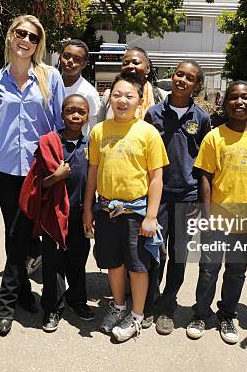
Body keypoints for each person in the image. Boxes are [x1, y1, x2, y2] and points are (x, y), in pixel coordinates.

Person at [0, 15, 66, 336]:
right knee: (14, 236)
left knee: (40, 236)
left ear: (38, 44)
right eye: (21, 34)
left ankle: (9, 304)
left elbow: (61, 125)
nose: (26, 40)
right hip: (6, 173)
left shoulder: (51, 77)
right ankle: (20, 295)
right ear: (10, 36)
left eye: (33, 37)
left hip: (40, 173)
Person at [83, 72, 169, 342]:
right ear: (109, 99)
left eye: (129, 96)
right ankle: (118, 306)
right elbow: (93, 173)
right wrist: (88, 208)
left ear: (139, 100)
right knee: (114, 263)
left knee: (138, 266)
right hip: (106, 210)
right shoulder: (99, 131)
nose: (122, 100)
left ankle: (137, 315)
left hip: (137, 214)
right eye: (117, 95)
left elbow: (156, 178)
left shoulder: (148, 132)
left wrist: (151, 216)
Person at [187, 80, 247, 344]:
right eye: (234, 97)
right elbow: (205, 178)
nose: (239, 102)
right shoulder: (214, 137)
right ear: (225, 103)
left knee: (236, 271)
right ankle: (201, 313)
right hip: (217, 219)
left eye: (245, 97)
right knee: (209, 269)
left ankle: (227, 314)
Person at [143, 60, 211, 335]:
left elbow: (205, 162)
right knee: (154, 252)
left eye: (190, 78)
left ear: (197, 85)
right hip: (157, 196)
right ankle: (149, 302)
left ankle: (167, 307)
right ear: (172, 77)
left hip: (187, 197)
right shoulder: (153, 114)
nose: (182, 80)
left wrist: (199, 200)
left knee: (178, 255)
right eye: (179, 74)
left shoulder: (202, 118)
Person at [19, 94, 95, 332]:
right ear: (61, 114)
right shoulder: (50, 144)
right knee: (53, 264)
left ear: (87, 116)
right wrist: (56, 177)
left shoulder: (91, 146)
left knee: (78, 261)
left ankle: (77, 301)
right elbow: (35, 184)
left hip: (81, 214)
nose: (75, 116)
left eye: (81, 112)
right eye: (70, 110)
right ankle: (52, 307)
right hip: (54, 216)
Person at [97, 47, 165, 122]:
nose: (130, 66)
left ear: (148, 68)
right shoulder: (109, 95)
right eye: (125, 63)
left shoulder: (161, 97)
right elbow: (99, 127)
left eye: (136, 63)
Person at [58, 39, 101, 135]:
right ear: (60, 57)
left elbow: (94, 127)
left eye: (76, 59)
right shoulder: (49, 85)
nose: (69, 61)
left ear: (84, 64)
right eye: (66, 56)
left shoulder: (89, 92)